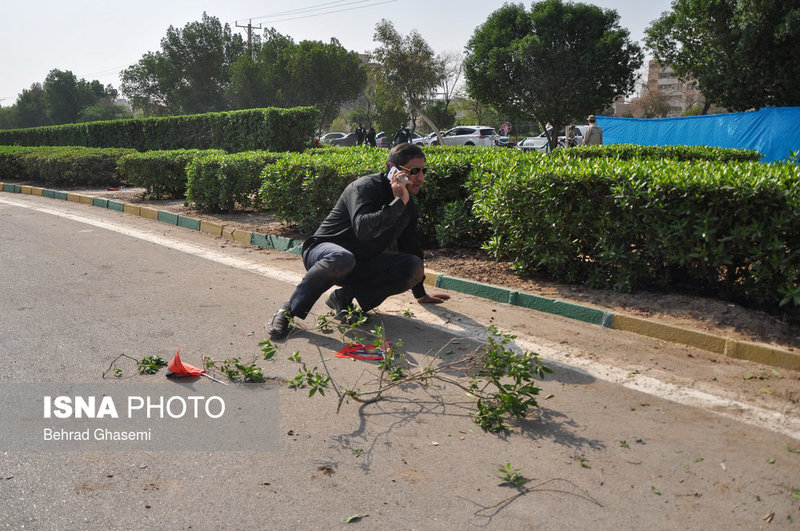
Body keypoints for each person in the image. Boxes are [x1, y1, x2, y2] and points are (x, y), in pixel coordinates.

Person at [267, 143, 450, 339]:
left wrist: (420, 292)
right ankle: (287, 311)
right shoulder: (364, 188)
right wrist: (398, 203)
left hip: (360, 263)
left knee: (413, 266)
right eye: (414, 171)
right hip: (324, 254)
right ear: (394, 171)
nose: (421, 177)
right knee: (342, 258)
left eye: (424, 170)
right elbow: (364, 230)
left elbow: (411, 246)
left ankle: (344, 297)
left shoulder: (407, 204)